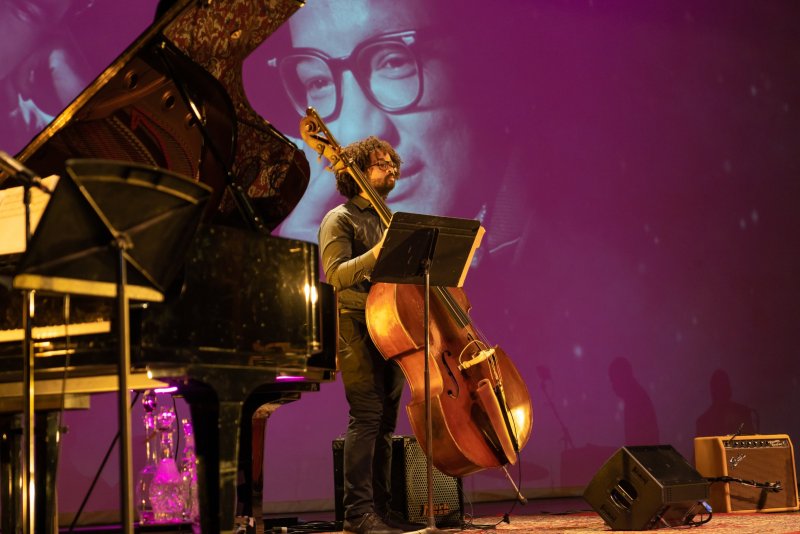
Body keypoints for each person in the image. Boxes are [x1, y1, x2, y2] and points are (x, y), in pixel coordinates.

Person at [318, 136, 420, 534]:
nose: (391, 168)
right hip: (356, 324)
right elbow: (335, 276)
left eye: (393, 163)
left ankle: (382, 510)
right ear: (358, 171)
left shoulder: (389, 219)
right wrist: (376, 254)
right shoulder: (339, 219)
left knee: (387, 423)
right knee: (367, 417)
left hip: (392, 327)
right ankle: (357, 515)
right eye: (381, 163)